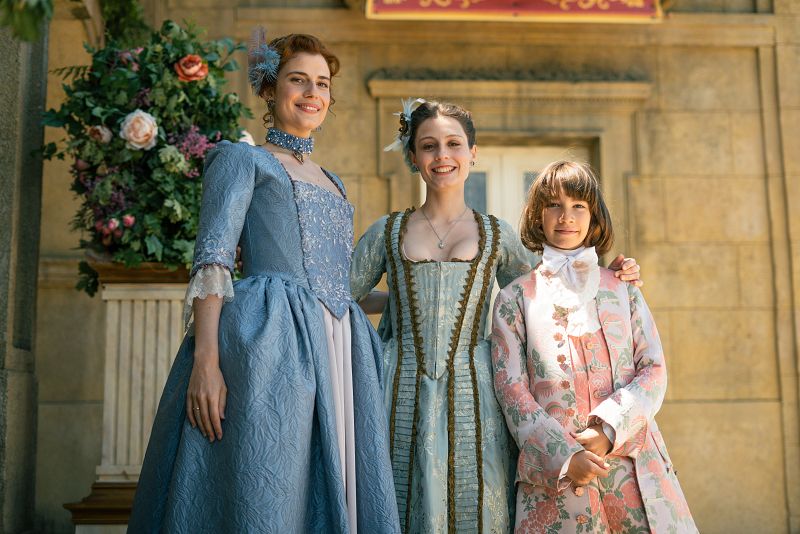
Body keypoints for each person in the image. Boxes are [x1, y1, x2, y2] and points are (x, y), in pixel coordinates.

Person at [128, 31, 399, 533]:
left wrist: (416, 296)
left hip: (340, 348)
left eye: (322, 83)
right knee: (271, 483)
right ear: (270, 89)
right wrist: (206, 362)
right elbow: (212, 261)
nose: (312, 92)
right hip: (271, 345)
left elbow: (340, 287)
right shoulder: (243, 159)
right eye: (298, 80)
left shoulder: (335, 181)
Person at [350, 101, 642, 533]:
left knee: (475, 504)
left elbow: (548, 290)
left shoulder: (494, 232)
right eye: (429, 146)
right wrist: (394, 304)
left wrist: (611, 277)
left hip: (476, 390)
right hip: (400, 383)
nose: (442, 155)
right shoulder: (388, 230)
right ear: (413, 156)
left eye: (454, 144)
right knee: (398, 496)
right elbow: (339, 297)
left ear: (473, 153)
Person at [490, 161, 697, 533]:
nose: (565, 217)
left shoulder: (623, 288)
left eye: (578, 206)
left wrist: (608, 430)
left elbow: (653, 369)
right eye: (553, 205)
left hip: (634, 467)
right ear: (537, 216)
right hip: (558, 481)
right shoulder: (514, 298)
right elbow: (511, 390)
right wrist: (567, 457)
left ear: (594, 215)